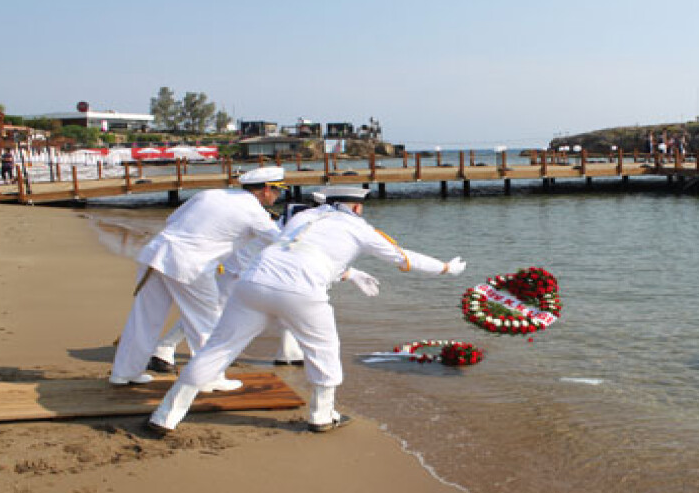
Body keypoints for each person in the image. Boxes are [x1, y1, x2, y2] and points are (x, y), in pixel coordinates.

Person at [148, 186, 467, 434]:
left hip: (253, 281)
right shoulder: (360, 228)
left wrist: (349, 273)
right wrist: (444, 268)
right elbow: (403, 258)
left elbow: (300, 250)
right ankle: (322, 416)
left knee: (216, 349)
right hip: (301, 291)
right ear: (356, 207)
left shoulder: (303, 217)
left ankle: (165, 416)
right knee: (323, 349)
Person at [109, 167, 286, 389]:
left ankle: (124, 373)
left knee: (144, 318)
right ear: (267, 189)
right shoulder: (255, 213)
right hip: (191, 265)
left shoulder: (209, 194)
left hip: (157, 253)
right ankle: (209, 378)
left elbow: (173, 219)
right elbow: (282, 243)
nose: (278, 196)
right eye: (278, 191)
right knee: (207, 322)